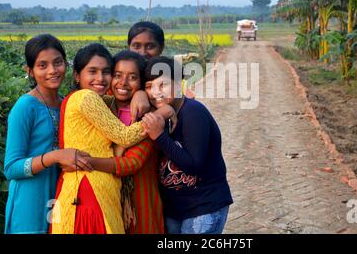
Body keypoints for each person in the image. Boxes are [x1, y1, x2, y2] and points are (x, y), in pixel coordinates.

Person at [50, 44, 173, 234]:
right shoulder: (92, 100)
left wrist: (150, 104)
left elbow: (132, 161)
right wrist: (162, 112)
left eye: (105, 72)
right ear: (76, 75)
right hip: (92, 192)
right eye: (93, 71)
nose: (101, 78)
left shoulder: (124, 108)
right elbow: (124, 136)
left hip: (135, 199)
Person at [4, 34, 91, 234]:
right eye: (42, 65)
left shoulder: (67, 104)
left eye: (58, 62)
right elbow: (11, 168)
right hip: (29, 204)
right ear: (30, 71)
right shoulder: (25, 107)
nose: (52, 70)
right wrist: (54, 156)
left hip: (59, 198)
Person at [141, 56, 233, 234]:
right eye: (148, 87)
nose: (155, 92)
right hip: (175, 210)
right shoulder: (160, 115)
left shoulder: (192, 112)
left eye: (163, 85)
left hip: (202, 207)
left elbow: (194, 165)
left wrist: (159, 136)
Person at [85, 50, 164, 234]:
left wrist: (85, 162)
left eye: (133, 77)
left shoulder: (148, 115)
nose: (123, 83)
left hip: (140, 201)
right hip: (107, 198)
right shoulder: (101, 108)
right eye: (118, 75)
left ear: (142, 83)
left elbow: (131, 163)